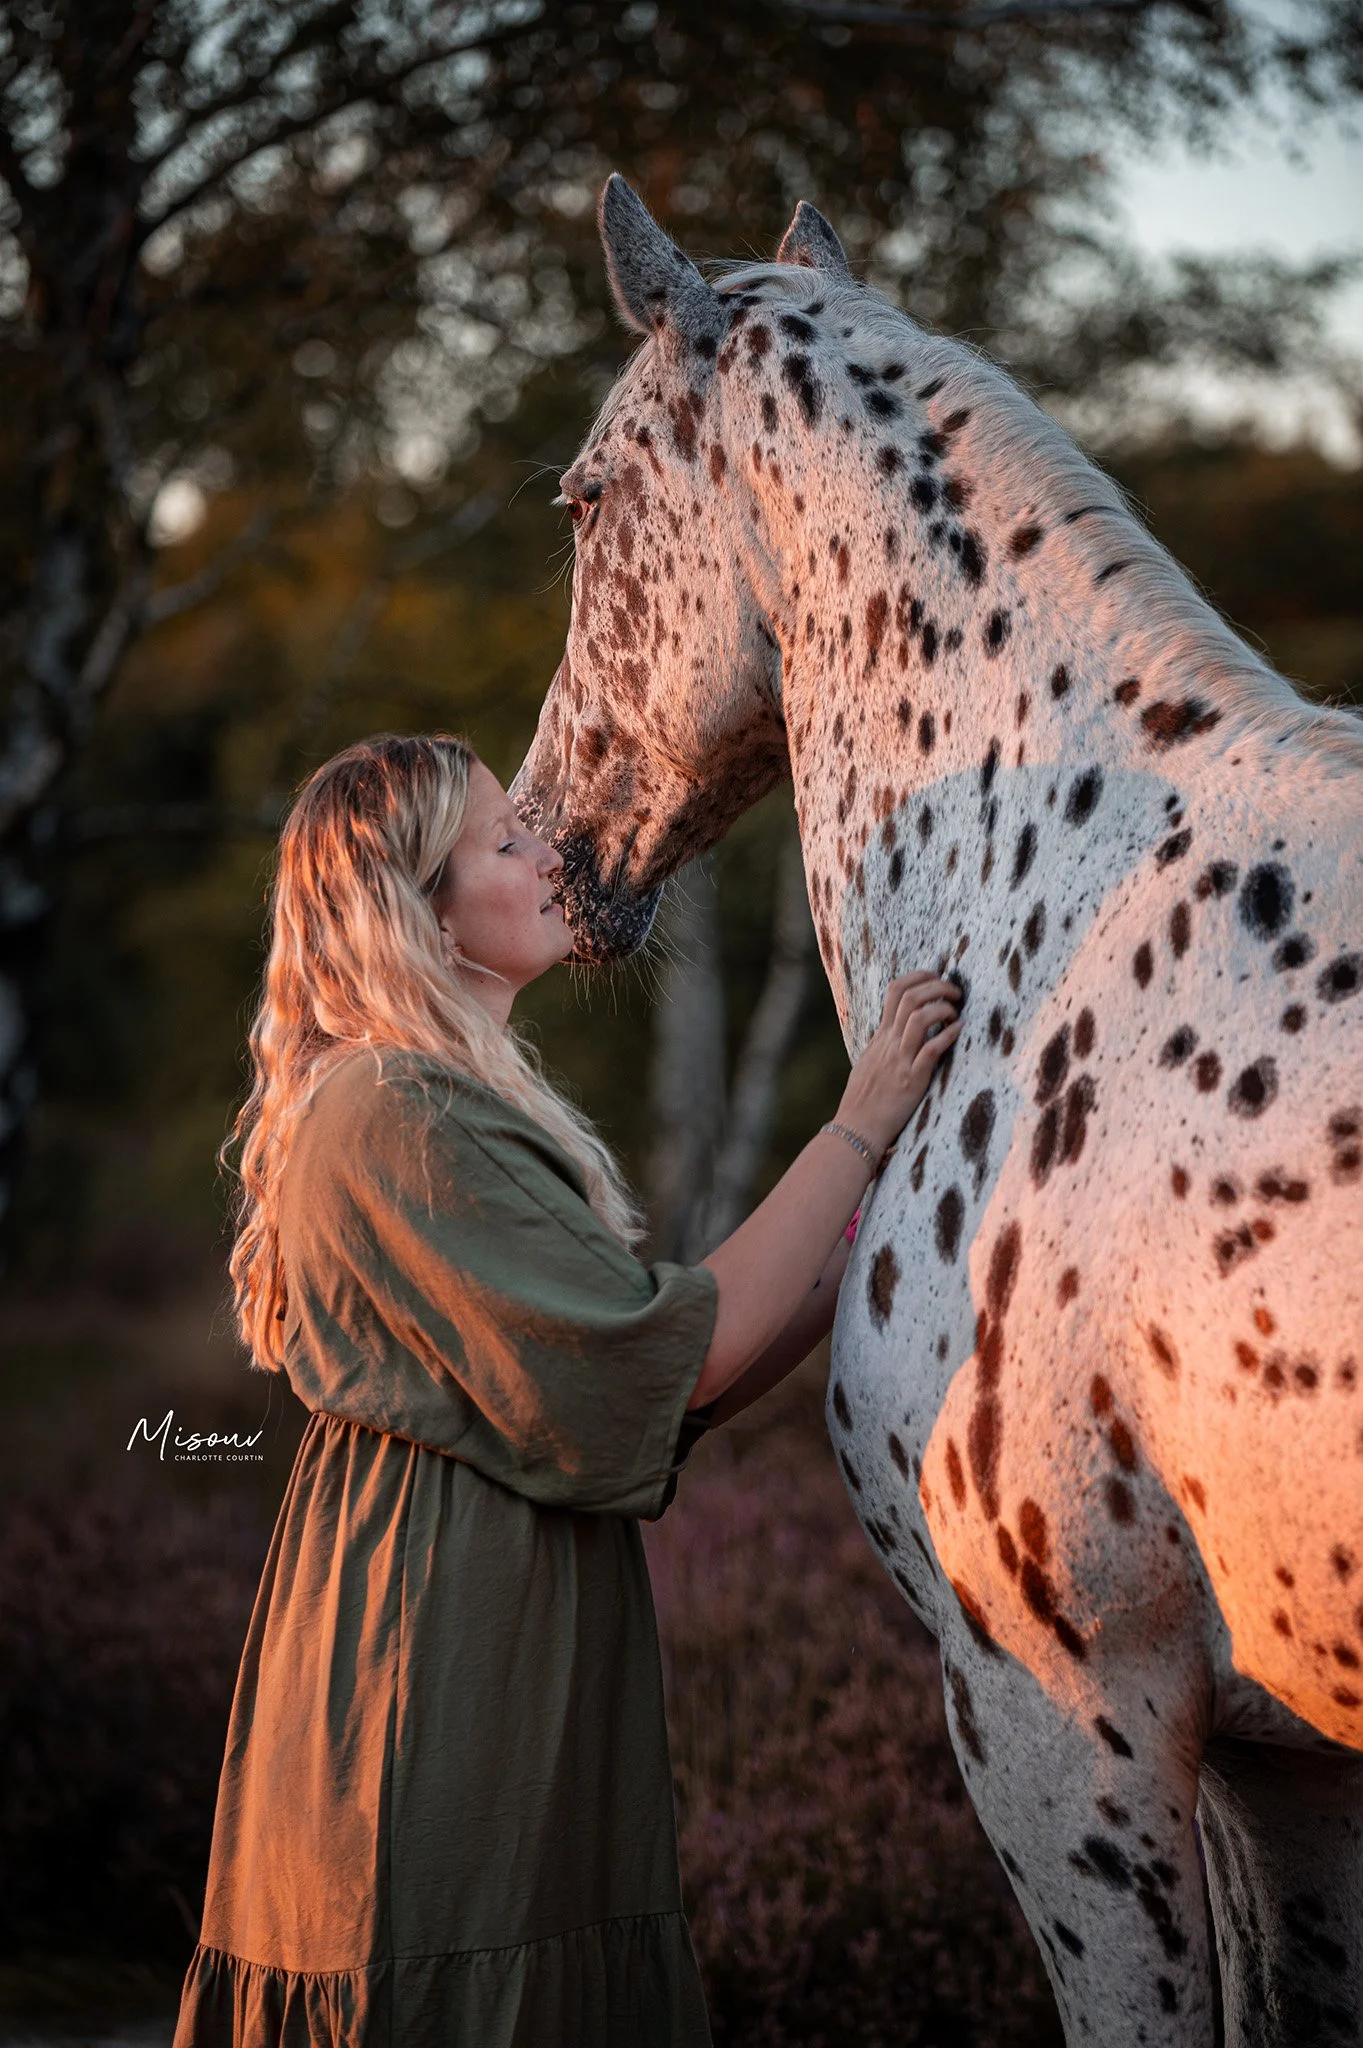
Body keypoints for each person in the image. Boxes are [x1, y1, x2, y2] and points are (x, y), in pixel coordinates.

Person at [172, 732, 960, 2048]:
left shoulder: (436, 1098)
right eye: (503, 841)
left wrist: (881, 1220)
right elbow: (674, 1352)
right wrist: (858, 1124)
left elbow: (659, 1392)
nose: (551, 854)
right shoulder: (389, 1110)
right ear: (412, 908)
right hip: (434, 1664)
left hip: (491, 1622)